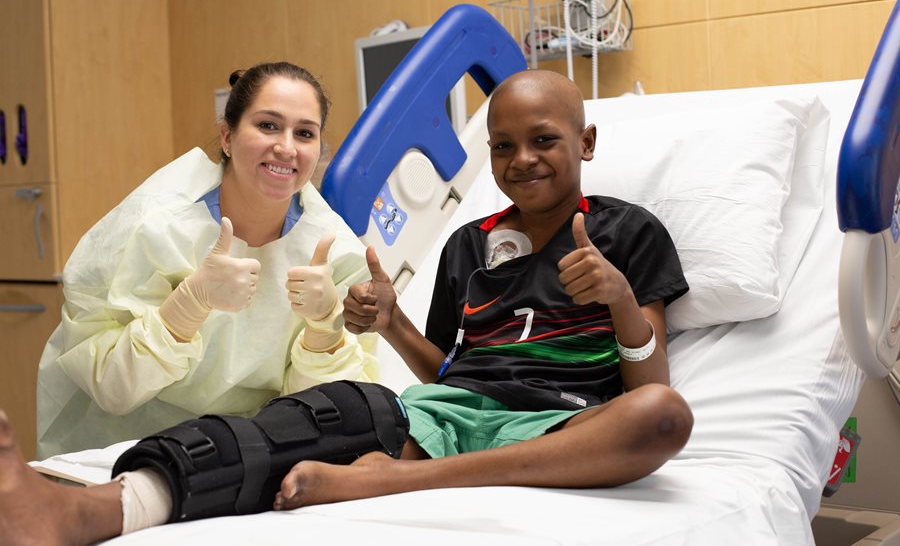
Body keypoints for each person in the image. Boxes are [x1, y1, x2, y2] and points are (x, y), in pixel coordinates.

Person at [0, 69, 692, 544]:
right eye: (503, 146)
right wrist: (389, 323)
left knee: (664, 417)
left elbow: (651, 384)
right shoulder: (466, 247)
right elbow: (448, 380)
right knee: (301, 422)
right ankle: (86, 509)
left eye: (544, 140)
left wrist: (620, 297)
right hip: (446, 416)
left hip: (567, 424)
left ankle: (407, 480)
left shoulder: (626, 233)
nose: (523, 160)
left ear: (586, 143)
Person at [36, 61, 379, 459]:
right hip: (127, 451)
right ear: (227, 137)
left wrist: (324, 331)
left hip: (254, 459)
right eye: (267, 125)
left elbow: (333, 415)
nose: (286, 147)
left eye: (304, 133)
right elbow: (112, 390)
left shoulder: (335, 255)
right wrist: (185, 307)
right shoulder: (155, 228)